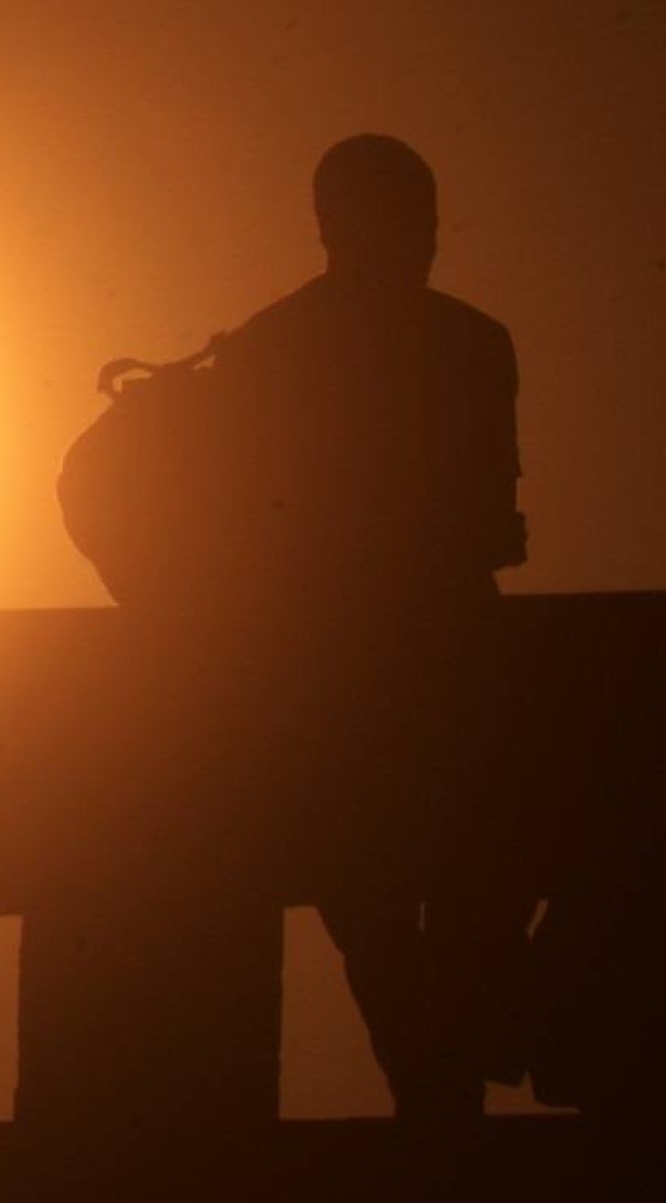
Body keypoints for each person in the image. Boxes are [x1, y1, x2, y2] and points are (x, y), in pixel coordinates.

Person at [206, 133, 532, 1128]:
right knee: (467, 889)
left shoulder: (264, 347)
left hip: (324, 680)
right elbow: (495, 527)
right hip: (449, 666)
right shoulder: (473, 343)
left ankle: (436, 1101)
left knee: (375, 917)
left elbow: (242, 535)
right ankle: (448, 1093)